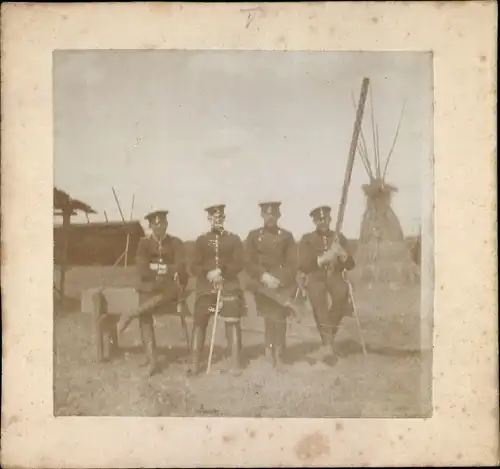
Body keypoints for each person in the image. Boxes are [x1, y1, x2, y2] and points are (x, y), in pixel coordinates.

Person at [117, 210, 188, 376]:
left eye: (162, 224)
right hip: (151, 286)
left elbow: (180, 267)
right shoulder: (144, 244)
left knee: (167, 291)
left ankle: (130, 314)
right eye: (156, 225)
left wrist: (159, 268)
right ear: (150, 226)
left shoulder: (176, 243)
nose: (159, 228)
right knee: (145, 315)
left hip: (170, 288)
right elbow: (142, 268)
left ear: (166, 225)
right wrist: (162, 272)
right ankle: (152, 360)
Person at [245, 201, 302, 370]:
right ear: (262, 215)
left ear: (279, 215)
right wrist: (263, 276)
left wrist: (279, 280)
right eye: (266, 214)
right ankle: (271, 349)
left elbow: (293, 264)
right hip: (261, 282)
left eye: (273, 214)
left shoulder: (286, 236)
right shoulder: (254, 236)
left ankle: (277, 352)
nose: (270, 217)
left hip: (281, 282)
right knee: (270, 314)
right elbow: (248, 262)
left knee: (277, 314)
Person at [190, 204, 246, 375]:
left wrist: (222, 271)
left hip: (228, 284)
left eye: (220, 217)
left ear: (224, 218)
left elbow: (239, 262)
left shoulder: (234, 239)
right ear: (209, 219)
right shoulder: (201, 240)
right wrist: (208, 274)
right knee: (199, 321)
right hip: (206, 286)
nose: (218, 220)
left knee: (233, 320)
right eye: (214, 217)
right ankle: (194, 363)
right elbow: (193, 266)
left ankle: (235, 363)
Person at [298, 206, 355, 359]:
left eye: (325, 219)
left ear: (330, 220)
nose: (322, 222)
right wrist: (322, 259)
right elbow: (302, 264)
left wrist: (342, 254)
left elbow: (350, 264)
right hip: (316, 276)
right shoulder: (307, 239)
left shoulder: (339, 238)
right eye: (319, 220)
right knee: (319, 302)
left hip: (335, 276)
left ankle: (327, 341)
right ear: (314, 221)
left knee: (342, 295)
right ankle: (328, 345)